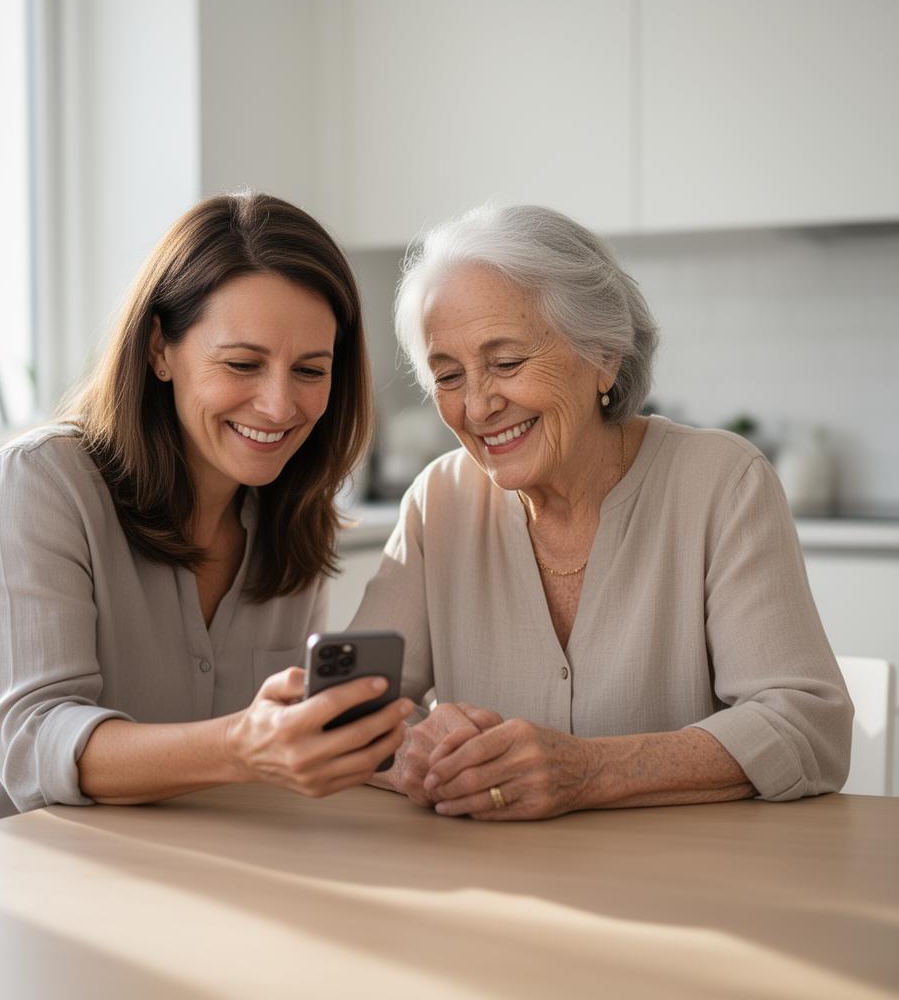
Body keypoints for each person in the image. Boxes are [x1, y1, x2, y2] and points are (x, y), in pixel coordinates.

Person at [0, 193, 413, 846]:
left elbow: (261, 746)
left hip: (140, 875)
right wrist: (242, 747)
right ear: (161, 348)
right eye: (242, 364)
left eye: (310, 370)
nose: (278, 406)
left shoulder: (294, 515)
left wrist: (382, 746)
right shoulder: (42, 481)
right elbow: (34, 740)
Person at [354, 202, 853, 820]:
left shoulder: (723, 483)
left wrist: (588, 772)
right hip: (487, 886)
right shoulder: (439, 502)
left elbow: (807, 727)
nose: (478, 407)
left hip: (690, 888)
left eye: (507, 363)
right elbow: (346, 712)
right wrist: (413, 751)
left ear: (605, 356)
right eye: (448, 376)